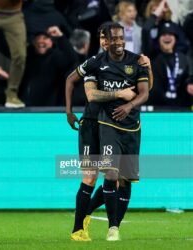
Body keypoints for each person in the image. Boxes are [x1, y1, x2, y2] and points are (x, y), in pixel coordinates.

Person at [66, 22, 149, 241]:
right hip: (91, 125)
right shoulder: (94, 64)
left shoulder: (129, 61)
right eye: (104, 38)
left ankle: (90, 215)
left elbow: (144, 89)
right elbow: (92, 96)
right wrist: (120, 95)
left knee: (115, 176)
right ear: (101, 40)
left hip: (109, 124)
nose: (108, 42)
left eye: (110, 38)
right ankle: (78, 228)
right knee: (91, 177)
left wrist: (147, 68)